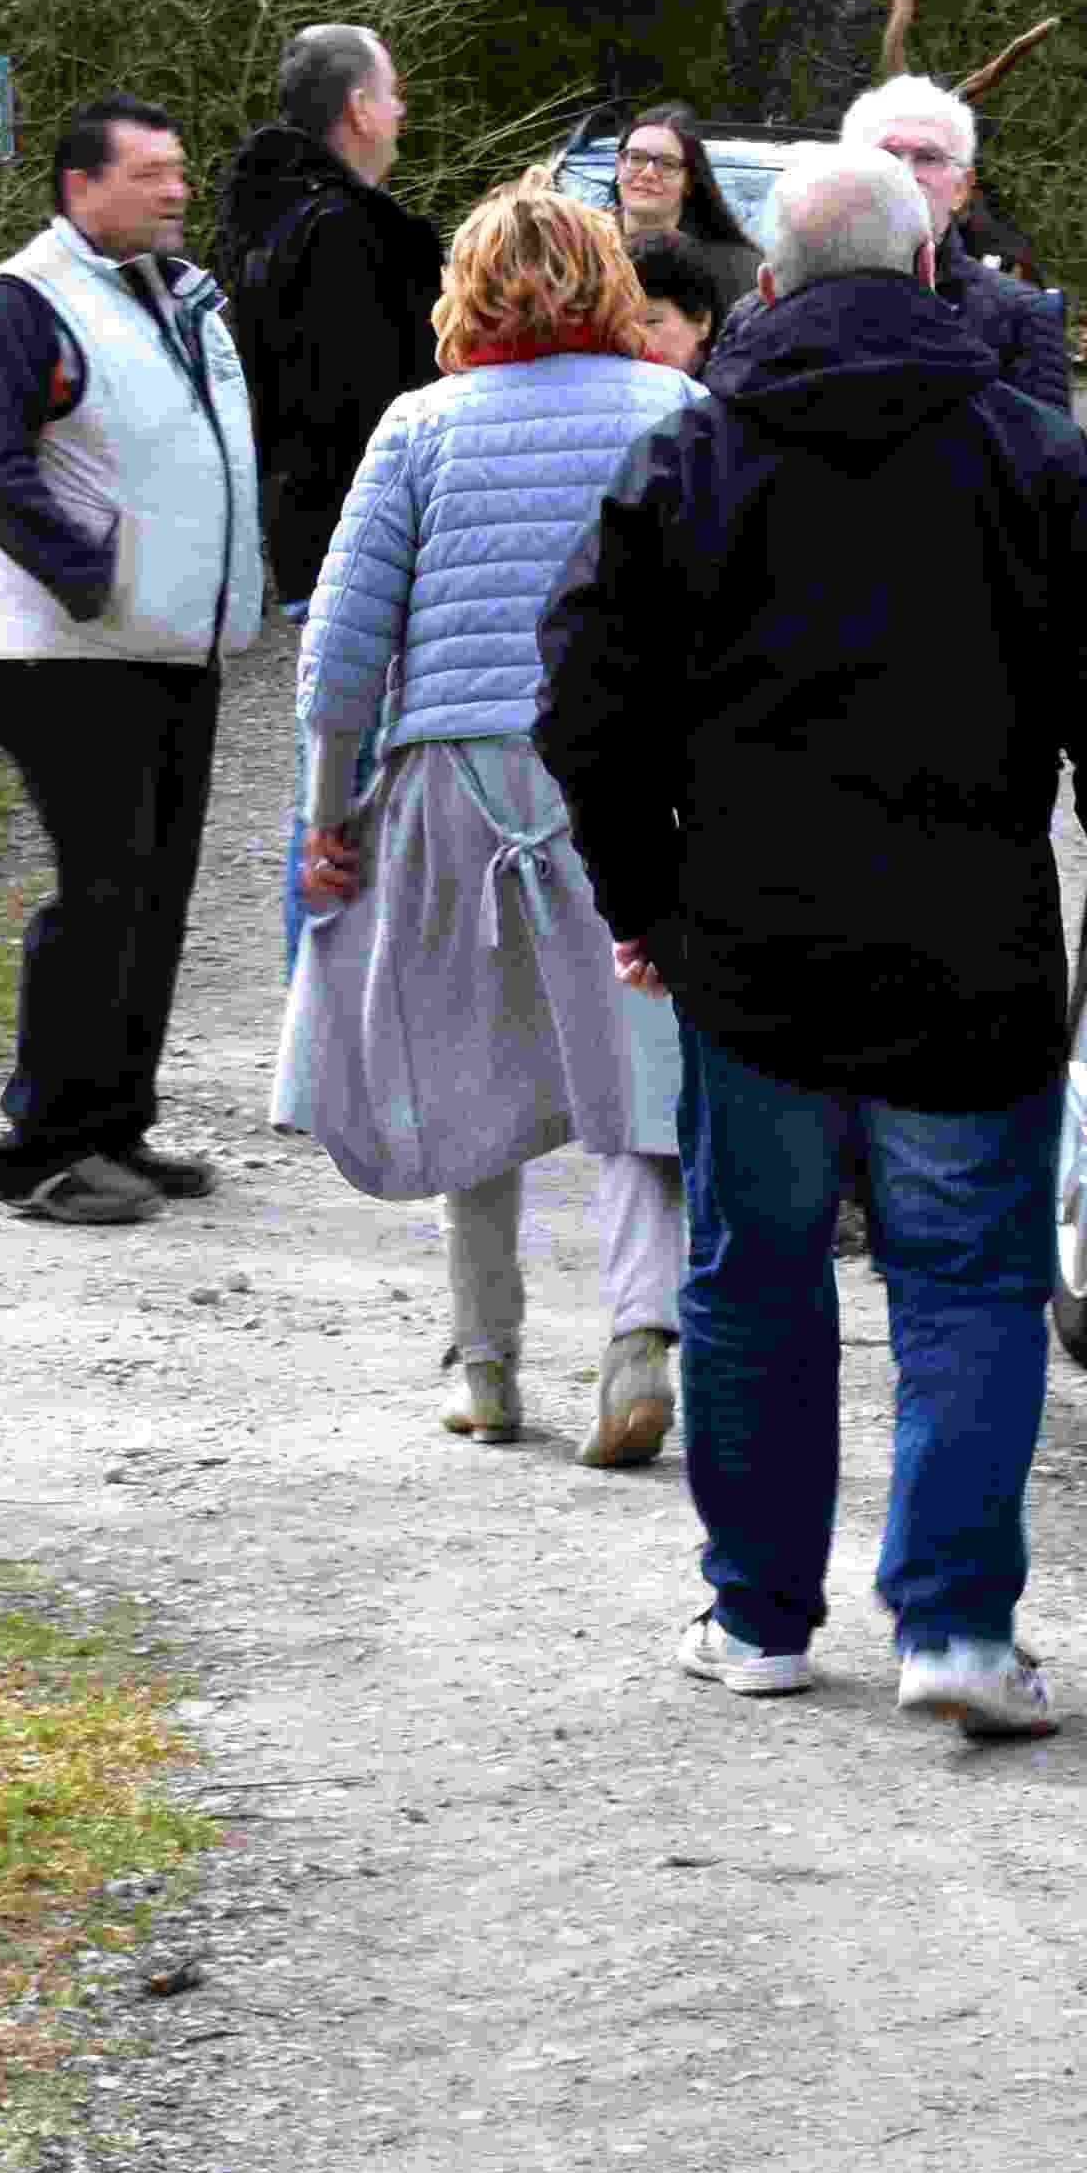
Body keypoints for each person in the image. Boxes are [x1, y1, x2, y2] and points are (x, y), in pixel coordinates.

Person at [539, 143, 1087, 1738]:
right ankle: (958, 1628)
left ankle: (758, 1618)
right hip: (969, 952)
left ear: (767, 281)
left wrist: (642, 900)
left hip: (749, 951)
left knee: (752, 1276)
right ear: (929, 270)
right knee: (968, 1285)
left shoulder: (694, 457)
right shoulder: (1030, 456)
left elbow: (585, 701)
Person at [283, 185, 703, 1465]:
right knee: (640, 1063)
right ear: (607, 281)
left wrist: (325, 815)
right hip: (627, 776)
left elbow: (340, 652)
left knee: (462, 1060)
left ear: (463, 291)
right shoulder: (674, 411)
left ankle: (485, 1367)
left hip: (451, 781)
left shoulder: (420, 426)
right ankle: (637, 1339)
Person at [0, 94, 265, 1226]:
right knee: (101, 892)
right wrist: (95, 577)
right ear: (80, 186)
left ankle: (113, 1126)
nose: (178, 189)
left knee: (154, 897)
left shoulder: (177, 300)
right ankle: (40, 1152)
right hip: (66, 656)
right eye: (149, 173)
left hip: (172, 648)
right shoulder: (21, 303)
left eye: (180, 168)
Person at [213, 23, 443, 610]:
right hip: (372, 548)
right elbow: (372, 406)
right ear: (360, 109)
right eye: (392, 94)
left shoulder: (266, 217)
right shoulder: (353, 233)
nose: (401, 110)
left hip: (304, 537)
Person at [837, 74, 1072, 413]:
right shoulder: (784, 306)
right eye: (886, 154)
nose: (905, 173)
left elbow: (1049, 445)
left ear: (962, 188)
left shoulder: (1020, 318)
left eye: (928, 157)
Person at [604, 101, 760, 314]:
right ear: (618, 166)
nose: (648, 173)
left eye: (667, 164)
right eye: (637, 158)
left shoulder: (738, 270)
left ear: (689, 181)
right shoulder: (580, 250)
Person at [622, 231, 727, 373]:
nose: (634, 339)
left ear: (703, 321)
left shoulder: (740, 382)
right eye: (624, 325)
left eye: (651, 321)